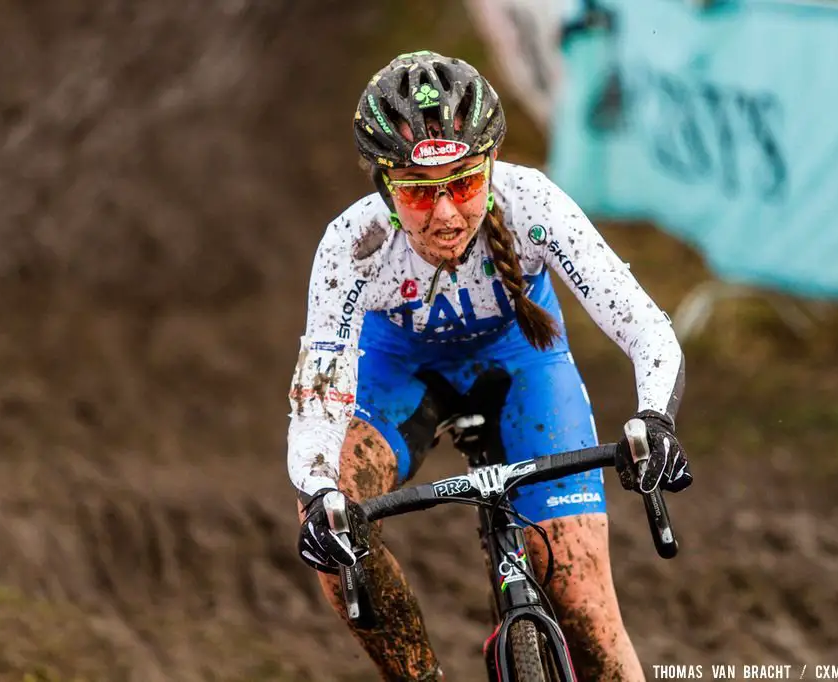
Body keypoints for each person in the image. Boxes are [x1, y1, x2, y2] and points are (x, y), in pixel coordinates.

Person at [287, 50, 692, 681]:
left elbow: (645, 327)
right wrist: (318, 492)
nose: (445, 214)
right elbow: (317, 396)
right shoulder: (353, 245)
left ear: (492, 168)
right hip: (399, 376)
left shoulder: (533, 203)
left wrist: (654, 418)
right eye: (420, 194)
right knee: (338, 545)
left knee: (588, 611)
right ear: (385, 191)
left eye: (465, 184)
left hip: (521, 368)